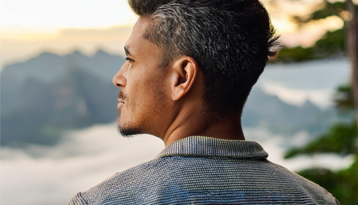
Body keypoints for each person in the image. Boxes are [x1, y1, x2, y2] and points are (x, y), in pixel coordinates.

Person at [68, 0, 340, 204]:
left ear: (182, 77)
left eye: (131, 61)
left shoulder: (105, 202)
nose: (119, 77)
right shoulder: (317, 200)